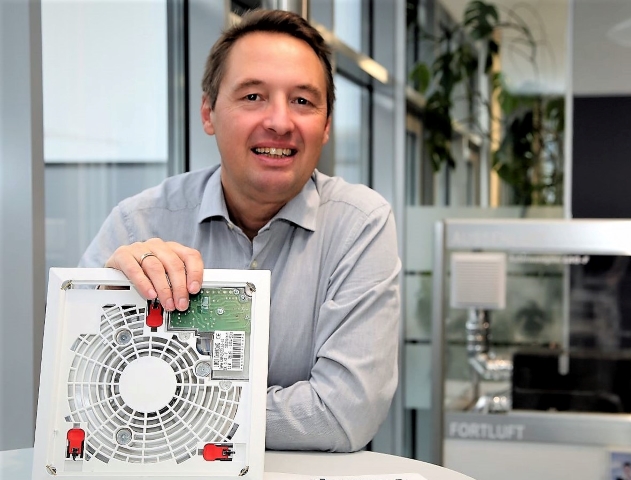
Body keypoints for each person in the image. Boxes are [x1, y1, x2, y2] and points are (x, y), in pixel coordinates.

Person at [78, 9, 400, 453]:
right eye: (253, 96)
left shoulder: (359, 224)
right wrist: (105, 295)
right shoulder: (139, 224)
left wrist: (165, 403)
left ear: (326, 125)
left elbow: (345, 415)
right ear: (208, 113)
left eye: (303, 101)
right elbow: (79, 394)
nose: (280, 122)